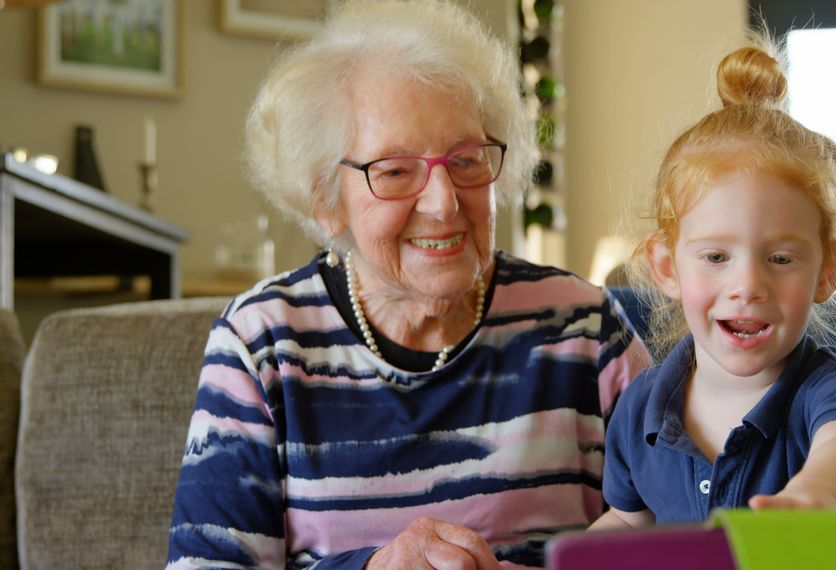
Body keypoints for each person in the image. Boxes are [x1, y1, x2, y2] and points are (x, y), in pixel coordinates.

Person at [165, 1, 651, 567]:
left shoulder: (583, 326)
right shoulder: (263, 341)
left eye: (467, 160)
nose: (444, 202)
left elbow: (685, 523)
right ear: (326, 198)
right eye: (395, 170)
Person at [589, 29, 836, 530]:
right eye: (715, 256)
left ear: (829, 272)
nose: (747, 285)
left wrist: (815, 494)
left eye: (779, 259)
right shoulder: (641, 405)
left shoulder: (835, 393)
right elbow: (625, 527)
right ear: (667, 268)